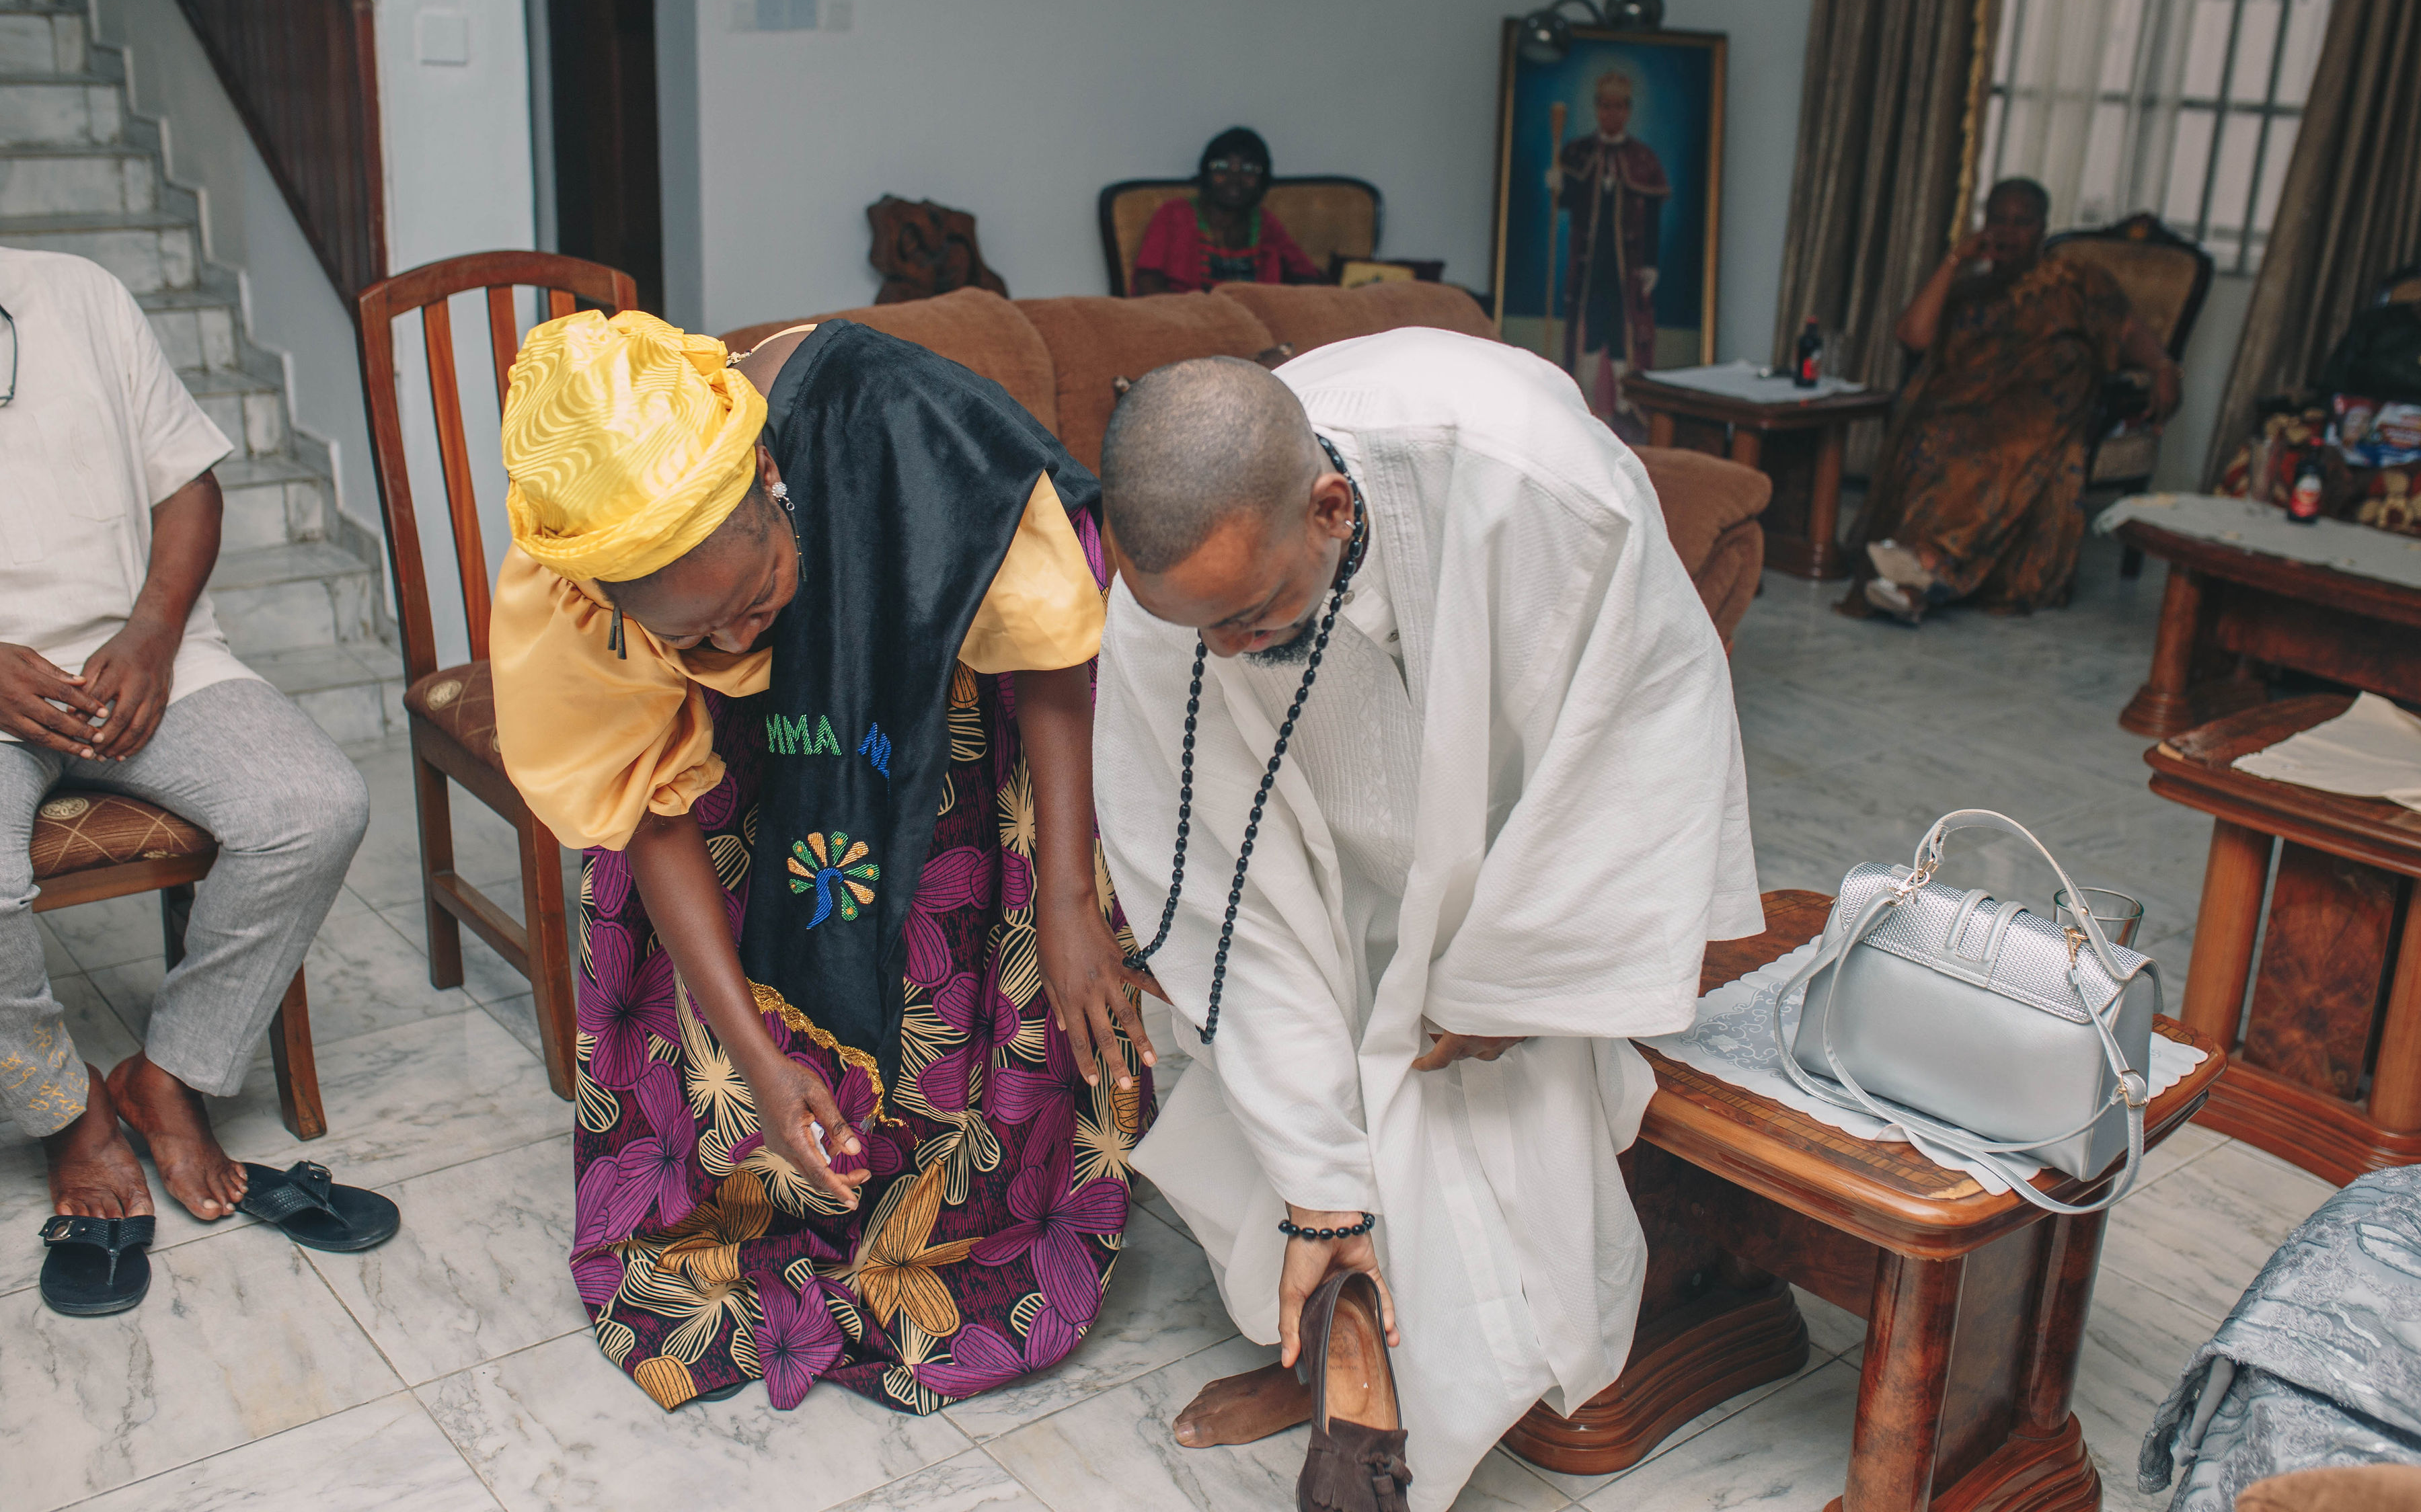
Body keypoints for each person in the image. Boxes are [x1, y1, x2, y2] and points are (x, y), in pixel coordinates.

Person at [1091, 332, 1762, 1509]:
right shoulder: (1174, 606)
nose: (1225, 650)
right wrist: (1320, 1185)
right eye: (1204, 629)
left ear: (1331, 509)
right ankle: (1326, 1354)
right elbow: (1214, 897)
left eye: (1251, 614)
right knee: (1290, 1081)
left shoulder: (1532, 478)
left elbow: (1646, 718)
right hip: (1314, 830)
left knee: (1489, 1099)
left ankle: (1453, 1374)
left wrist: (1522, 971)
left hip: (1516, 834)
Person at [490, 309, 1157, 1413]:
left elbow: (1054, 650)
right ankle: (767, 1191)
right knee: (737, 966)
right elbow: (653, 816)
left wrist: (1069, 902)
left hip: (931, 721)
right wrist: (755, 1057)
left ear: (768, 477)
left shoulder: (914, 426)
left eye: (751, 601)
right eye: (693, 636)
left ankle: (948, 1221)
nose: (738, 644)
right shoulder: (582, 566)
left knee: (935, 944)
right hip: (734, 760)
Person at [1, 248, 371, 1312]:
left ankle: (168, 1077)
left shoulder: (77, 294)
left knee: (314, 806)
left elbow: (188, 486)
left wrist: (155, 633)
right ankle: (66, 1111)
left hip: (141, 655)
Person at [1844, 177, 2182, 625]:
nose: (2008, 232)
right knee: (1934, 439)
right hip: (1963, 406)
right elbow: (1913, 336)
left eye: (2022, 222)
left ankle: (1923, 567)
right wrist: (1954, 260)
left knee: (1991, 453)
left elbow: (2126, 331)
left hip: (2039, 410)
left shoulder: (2075, 279)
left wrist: (2163, 367)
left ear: (2043, 228)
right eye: (1998, 220)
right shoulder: (1968, 290)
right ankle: (1917, 577)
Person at [1548, 68, 1668, 423]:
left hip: (1626, 267)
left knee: (1620, 334)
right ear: (1597, 108)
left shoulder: (1642, 158)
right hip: (1589, 265)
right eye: (1605, 106)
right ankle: (1583, 406)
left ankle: (1625, 407)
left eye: (1618, 107)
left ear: (1627, 110)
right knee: (1589, 331)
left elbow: (1653, 215)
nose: (1611, 114)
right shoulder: (1579, 152)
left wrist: (1651, 263)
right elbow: (1567, 201)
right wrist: (1558, 186)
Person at [1130, 126, 1326, 296]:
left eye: (1248, 170)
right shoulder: (1174, 214)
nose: (1235, 180)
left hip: (1252, 321)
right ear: (1206, 173)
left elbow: (1307, 277)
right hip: (1186, 318)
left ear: (1263, 179)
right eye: (1221, 167)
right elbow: (1147, 283)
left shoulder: (1265, 223)